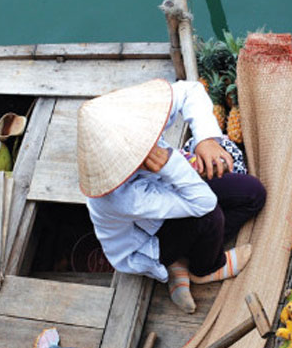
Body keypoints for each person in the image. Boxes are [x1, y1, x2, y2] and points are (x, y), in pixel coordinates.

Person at [76, 79, 266, 313]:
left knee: (253, 194)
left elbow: (190, 90)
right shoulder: (121, 197)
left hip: (167, 191)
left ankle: (185, 258)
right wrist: (169, 164)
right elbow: (203, 204)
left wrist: (206, 139)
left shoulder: (134, 117)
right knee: (210, 218)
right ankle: (204, 268)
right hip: (149, 241)